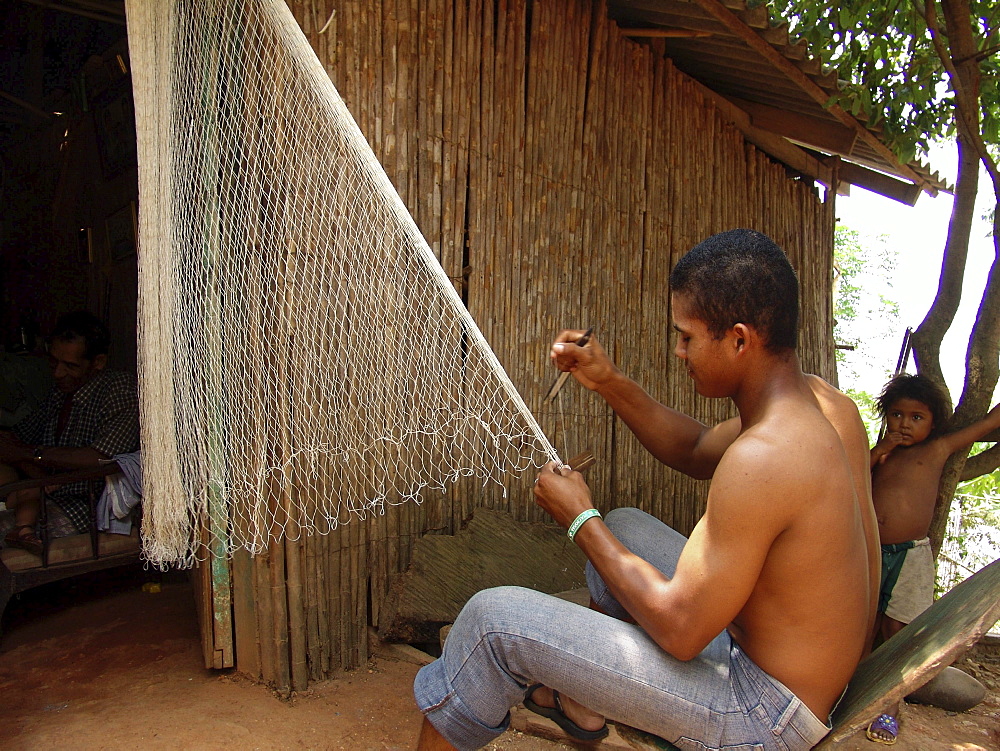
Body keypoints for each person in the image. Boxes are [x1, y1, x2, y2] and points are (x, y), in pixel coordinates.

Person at [413, 229, 880, 751]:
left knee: (488, 623)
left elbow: (682, 630)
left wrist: (579, 521)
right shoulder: (814, 406)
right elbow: (696, 447)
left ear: (740, 339)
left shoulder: (765, 458)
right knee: (628, 527)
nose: (679, 351)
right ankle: (583, 702)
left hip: (765, 713)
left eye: (687, 336)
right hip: (785, 669)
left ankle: (567, 689)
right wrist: (608, 380)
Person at [865, 373, 1000, 745]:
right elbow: (849, 476)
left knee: (899, 631)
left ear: (934, 423)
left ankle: (889, 704)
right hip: (869, 550)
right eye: (896, 415)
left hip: (910, 555)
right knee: (861, 627)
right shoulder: (878, 454)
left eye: (916, 417)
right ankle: (849, 696)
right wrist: (876, 453)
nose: (904, 424)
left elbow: (990, 422)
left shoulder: (938, 449)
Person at [0, 311, 139, 554]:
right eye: (53, 362)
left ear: (98, 362)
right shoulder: (60, 393)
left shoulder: (119, 389)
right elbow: (20, 436)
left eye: (70, 366)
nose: (57, 373)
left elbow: (99, 457)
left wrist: (28, 454)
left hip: (82, 505)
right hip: (42, 494)